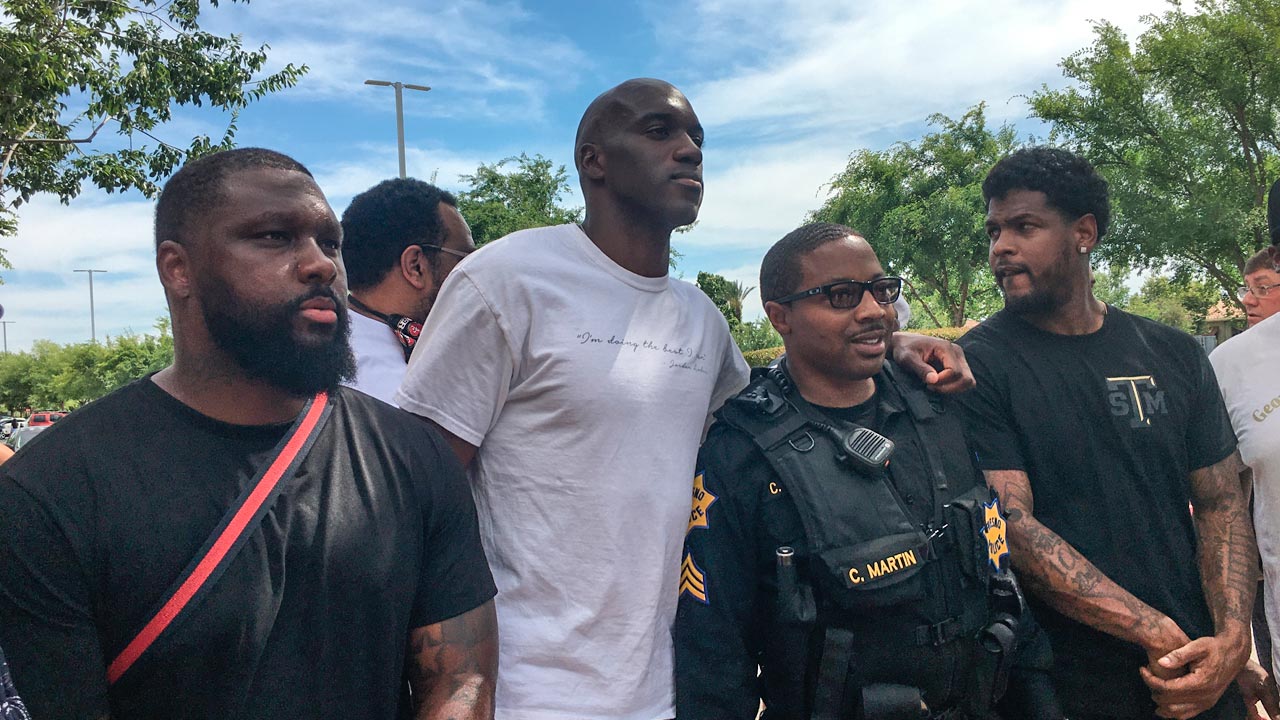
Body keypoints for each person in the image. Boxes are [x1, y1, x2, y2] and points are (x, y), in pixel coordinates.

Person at [395, 78, 977, 720]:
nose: (689, 150)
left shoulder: (697, 317)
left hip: (667, 687)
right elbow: (419, 496)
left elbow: (782, 406)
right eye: (658, 131)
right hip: (532, 691)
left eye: (697, 138)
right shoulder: (506, 282)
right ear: (593, 160)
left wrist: (891, 340)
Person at [0, 148, 498, 720]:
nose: (321, 265)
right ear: (177, 268)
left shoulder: (415, 458)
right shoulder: (48, 493)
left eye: (329, 243)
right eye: (273, 237)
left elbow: (461, 678)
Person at [673, 223, 1059, 719]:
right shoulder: (741, 453)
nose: (874, 310)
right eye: (840, 296)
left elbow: (998, 578)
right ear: (779, 316)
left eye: (881, 291)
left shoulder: (939, 406)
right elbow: (714, 655)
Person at [956, 147, 1257, 720]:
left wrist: (1234, 638)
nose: (1001, 248)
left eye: (1024, 227)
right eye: (994, 231)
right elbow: (1009, 526)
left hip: (1200, 672)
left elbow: (1219, 501)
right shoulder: (980, 366)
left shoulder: (1170, 352)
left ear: (1084, 233)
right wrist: (1150, 629)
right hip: (1066, 685)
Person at [1209, 180, 1280, 718]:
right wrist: (1235, 640)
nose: (1247, 298)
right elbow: (1222, 502)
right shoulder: (1232, 364)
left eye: (1263, 285)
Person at [340, 178, 474, 404]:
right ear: (416, 266)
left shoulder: (330, 349)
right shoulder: (388, 394)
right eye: (465, 259)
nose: (473, 273)